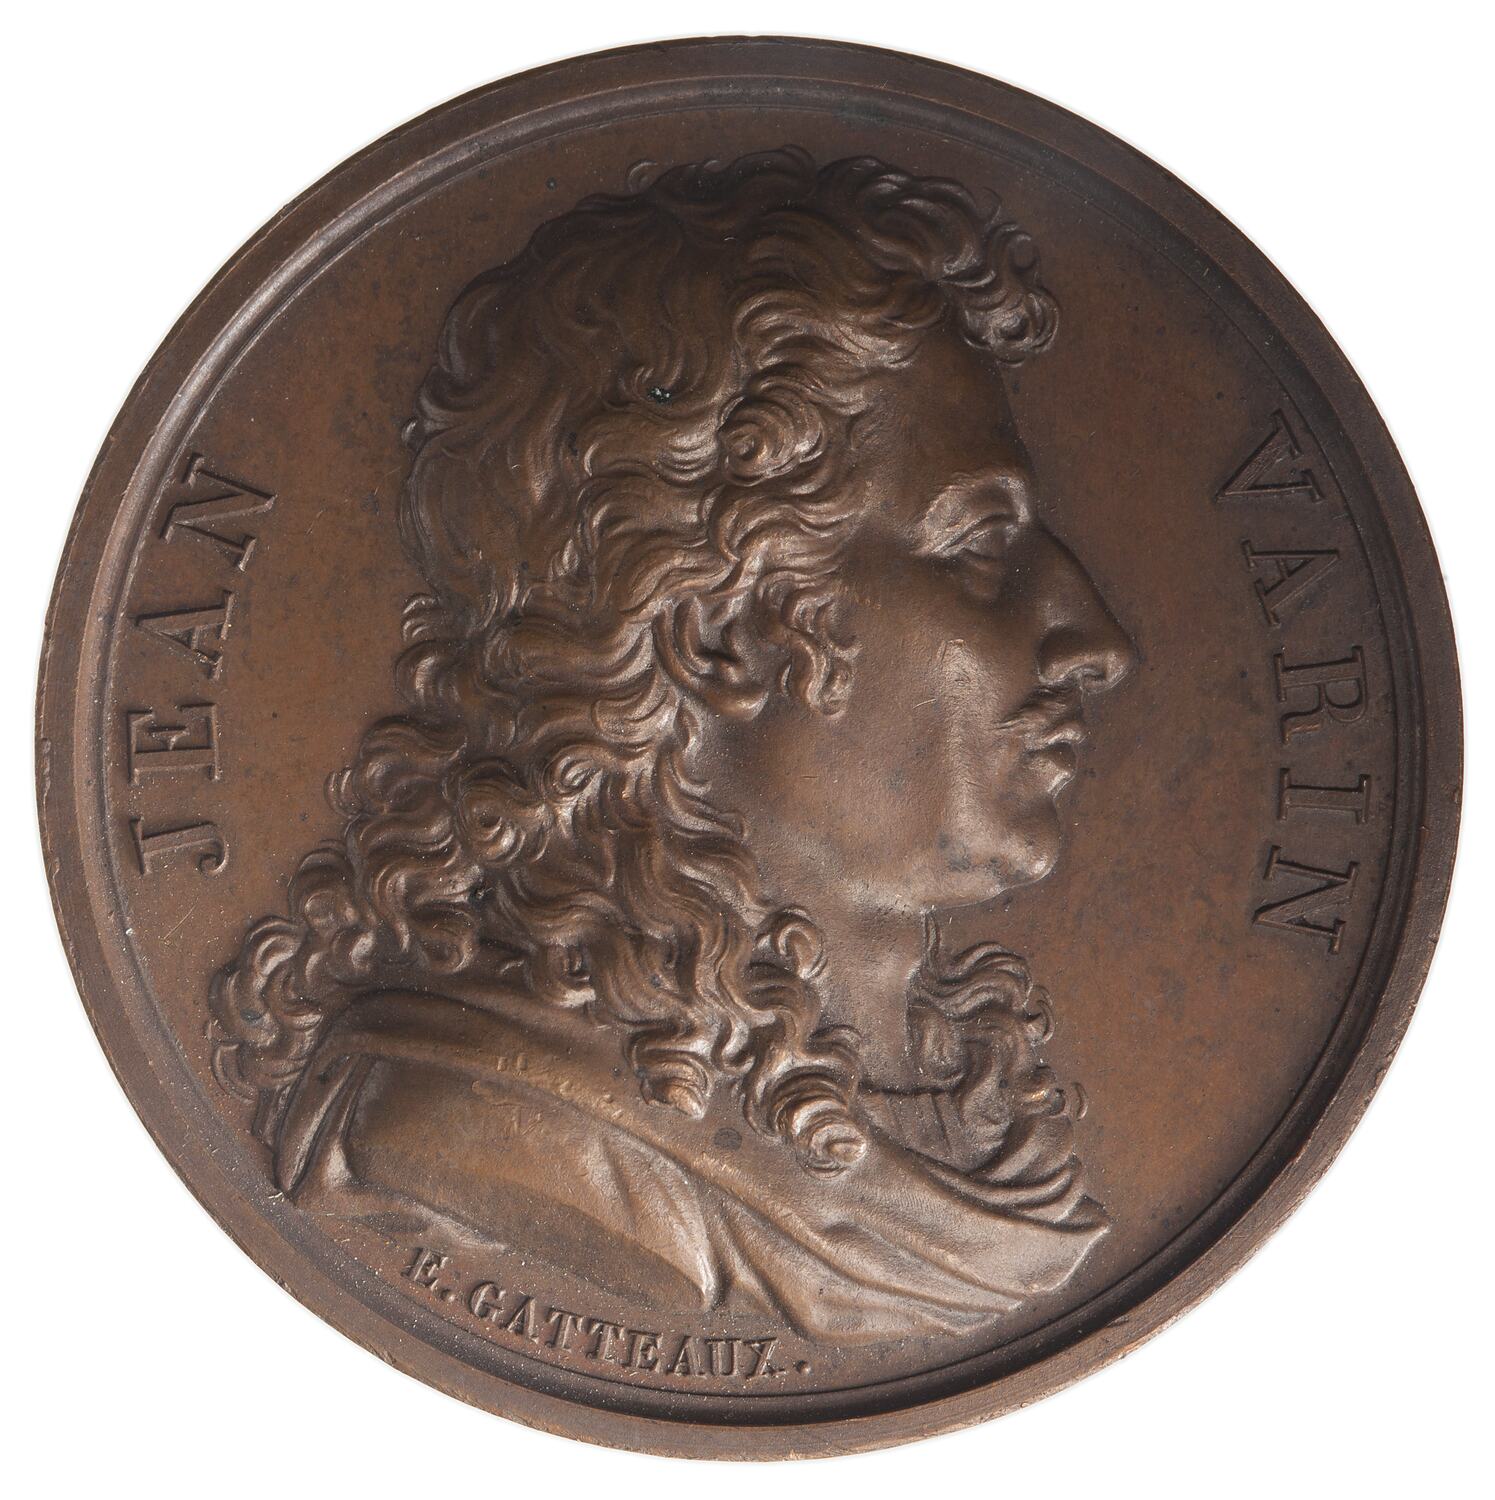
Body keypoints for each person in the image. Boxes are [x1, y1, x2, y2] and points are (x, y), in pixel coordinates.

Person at [210, 148, 1134, 1341]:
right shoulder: (479, 1135)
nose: (1097, 641)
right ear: (717, 634)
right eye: (976, 545)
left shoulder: (974, 1112)